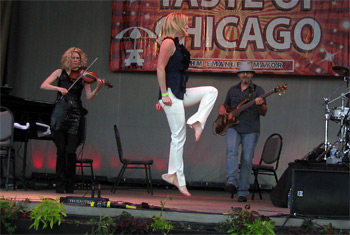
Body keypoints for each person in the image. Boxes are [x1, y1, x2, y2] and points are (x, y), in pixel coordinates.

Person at [155, 13, 218, 197]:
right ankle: (177, 177)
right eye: (186, 23)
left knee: (211, 91)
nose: (188, 26)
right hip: (171, 94)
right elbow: (160, 68)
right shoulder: (167, 42)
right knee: (178, 135)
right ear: (177, 24)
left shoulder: (178, 44)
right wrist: (163, 95)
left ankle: (197, 121)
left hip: (179, 93)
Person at [40, 47, 105, 194]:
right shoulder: (59, 73)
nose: (76, 61)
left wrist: (99, 87)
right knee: (61, 150)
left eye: (78, 58)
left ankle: (70, 185)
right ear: (68, 59)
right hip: (59, 114)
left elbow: (89, 96)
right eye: (73, 58)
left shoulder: (83, 77)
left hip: (75, 115)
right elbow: (43, 85)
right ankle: (60, 185)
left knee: (70, 151)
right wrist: (58, 88)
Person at [218, 61, 267, 202]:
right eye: (243, 72)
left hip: (251, 129)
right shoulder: (232, 90)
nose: (245, 74)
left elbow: (263, 113)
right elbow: (226, 105)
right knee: (231, 150)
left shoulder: (258, 91)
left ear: (252, 75)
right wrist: (221, 107)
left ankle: (243, 192)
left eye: (248, 72)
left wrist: (260, 104)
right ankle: (232, 181)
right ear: (239, 75)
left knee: (246, 160)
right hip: (233, 127)